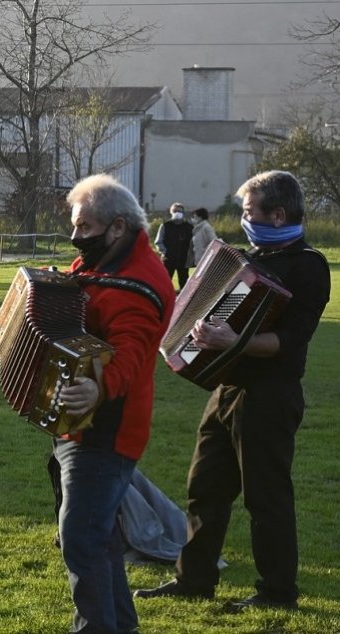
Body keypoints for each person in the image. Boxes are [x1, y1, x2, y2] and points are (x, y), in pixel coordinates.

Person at [134, 171, 331, 614]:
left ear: (278, 215)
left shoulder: (308, 266)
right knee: (204, 488)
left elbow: (289, 340)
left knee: (267, 498)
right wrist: (203, 337)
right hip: (225, 391)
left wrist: (232, 342)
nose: (243, 220)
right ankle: (194, 581)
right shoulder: (248, 257)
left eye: (249, 212)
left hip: (271, 396)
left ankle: (277, 593)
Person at [55, 173, 176, 634]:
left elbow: (132, 350)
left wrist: (98, 388)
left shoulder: (138, 282)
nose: (76, 236)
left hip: (106, 429)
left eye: (85, 227)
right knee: (99, 537)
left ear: (118, 226)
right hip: (80, 422)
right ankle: (121, 626)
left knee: (82, 539)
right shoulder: (103, 262)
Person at [154, 202, 194, 290]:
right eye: (175, 211)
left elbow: (193, 243)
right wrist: (164, 252)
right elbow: (158, 241)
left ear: (183, 213)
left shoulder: (189, 227)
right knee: (165, 283)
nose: (178, 213)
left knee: (184, 284)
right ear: (171, 212)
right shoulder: (165, 226)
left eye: (180, 211)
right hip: (168, 259)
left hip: (183, 259)